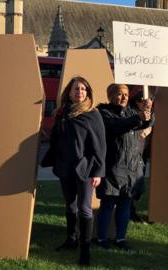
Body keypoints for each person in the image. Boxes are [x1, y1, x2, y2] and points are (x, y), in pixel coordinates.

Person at [41, 76, 106, 266]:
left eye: (83, 89)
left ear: (88, 93)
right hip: (65, 167)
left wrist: (98, 172)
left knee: (85, 208)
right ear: (69, 92)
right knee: (70, 205)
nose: (80, 92)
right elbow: (57, 139)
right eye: (76, 89)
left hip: (85, 169)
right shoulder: (62, 113)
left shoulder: (93, 114)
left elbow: (100, 146)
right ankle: (72, 239)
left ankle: (85, 250)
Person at [96, 84, 153, 251]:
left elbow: (145, 123)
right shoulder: (104, 113)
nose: (124, 97)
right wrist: (139, 117)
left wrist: (148, 112)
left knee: (125, 205)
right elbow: (118, 126)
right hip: (113, 166)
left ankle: (121, 238)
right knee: (108, 204)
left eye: (126, 94)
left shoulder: (132, 112)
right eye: (119, 94)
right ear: (111, 96)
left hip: (131, 168)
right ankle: (101, 238)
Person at [128, 90, 154, 223]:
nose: (149, 103)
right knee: (133, 186)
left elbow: (150, 122)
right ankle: (130, 211)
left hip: (141, 156)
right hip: (131, 156)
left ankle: (130, 209)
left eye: (151, 101)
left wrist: (149, 127)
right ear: (138, 102)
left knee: (139, 186)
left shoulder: (151, 116)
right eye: (146, 101)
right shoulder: (131, 114)